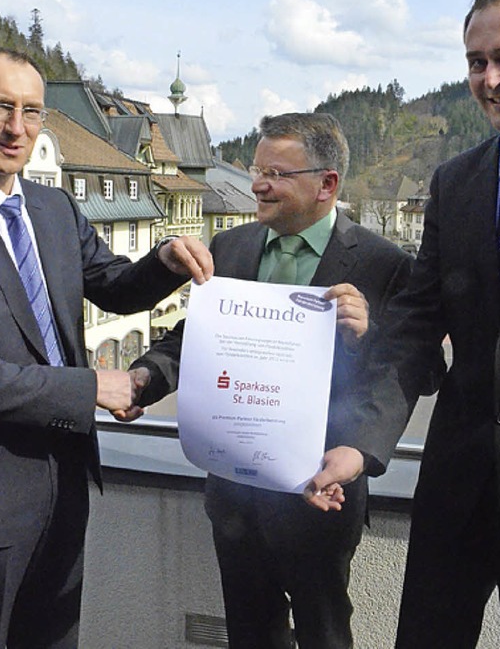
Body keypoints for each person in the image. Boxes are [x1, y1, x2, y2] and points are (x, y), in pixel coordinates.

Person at [308, 0, 500, 647]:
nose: (491, 79)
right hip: (456, 488)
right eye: (476, 62)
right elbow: (412, 324)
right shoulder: (454, 182)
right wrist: (360, 442)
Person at [0, 46, 213, 649]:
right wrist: (96, 387)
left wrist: (165, 259)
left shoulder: (53, 206)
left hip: (65, 486)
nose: (17, 128)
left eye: (32, 111)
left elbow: (112, 288)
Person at [123, 112, 413, 648]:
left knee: (325, 633)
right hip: (234, 496)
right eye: (258, 169)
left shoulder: (383, 263)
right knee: (249, 632)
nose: (257, 183)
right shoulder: (231, 247)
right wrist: (143, 379)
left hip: (320, 497)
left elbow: (413, 369)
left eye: (277, 173)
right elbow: (194, 342)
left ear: (327, 183)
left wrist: (365, 334)